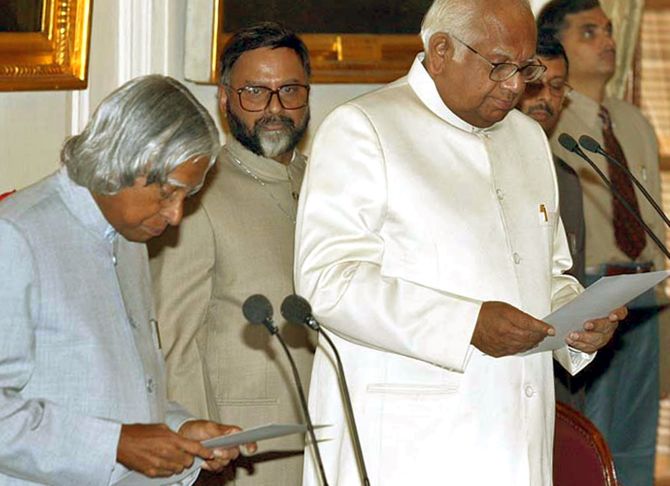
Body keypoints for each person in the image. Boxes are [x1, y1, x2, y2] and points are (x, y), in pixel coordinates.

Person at [294, 0, 626, 484]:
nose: (515, 84)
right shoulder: (365, 128)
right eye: (500, 66)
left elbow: (549, 274)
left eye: (525, 67)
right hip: (411, 445)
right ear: (443, 51)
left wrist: (578, 319)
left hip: (519, 438)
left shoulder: (529, 138)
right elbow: (328, 283)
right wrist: (466, 323)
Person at [0, 75, 254, 485]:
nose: (175, 216)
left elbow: (115, 396)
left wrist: (180, 432)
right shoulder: (16, 237)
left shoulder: (126, 234)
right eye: (167, 194)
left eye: (185, 198)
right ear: (121, 161)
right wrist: (114, 446)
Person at [148, 23, 314, 485]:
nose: (275, 109)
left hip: (328, 441)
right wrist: (200, 455)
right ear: (224, 100)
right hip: (244, 453)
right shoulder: (199, 193)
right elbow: (175, 341)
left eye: (290, 91)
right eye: (255, 92)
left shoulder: (325, 181)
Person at [539, 2, 665, 484]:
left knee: (637, 436)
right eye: (589, 32)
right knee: (591, 434)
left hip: (643, 289)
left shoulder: (633, 120)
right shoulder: (543, 120)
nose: (608, 41)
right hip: (586, 288)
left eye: (609, 31)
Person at [517, 33, 588, 410]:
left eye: (557, 86)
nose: (545, 97)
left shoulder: (568, 179)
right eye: (535, 84)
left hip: (560, 373)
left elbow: (570, 278)